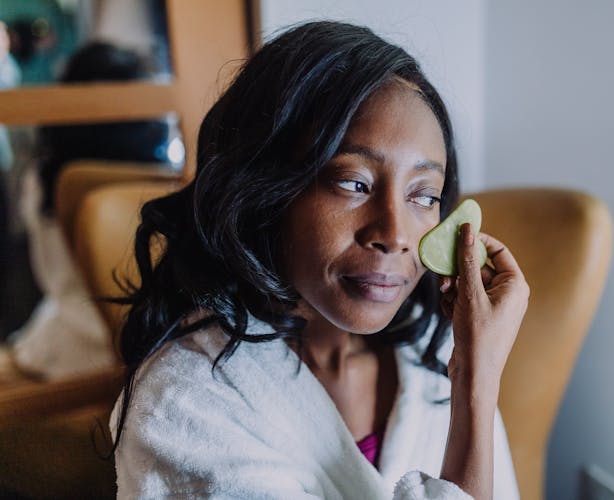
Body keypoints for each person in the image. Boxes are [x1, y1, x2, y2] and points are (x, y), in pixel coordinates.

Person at [110, 21, 529, 499]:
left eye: (424, 194)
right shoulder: (184, 403)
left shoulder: (431, 359)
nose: (394, 235)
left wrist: (470, 373)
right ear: (265, 191)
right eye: (352, 183)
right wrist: (475, 383)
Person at [6, 41, 170, 379]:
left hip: (63, 339)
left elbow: (44, 271)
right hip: (142, 342)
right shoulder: (157, 182)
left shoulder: (41, 180)